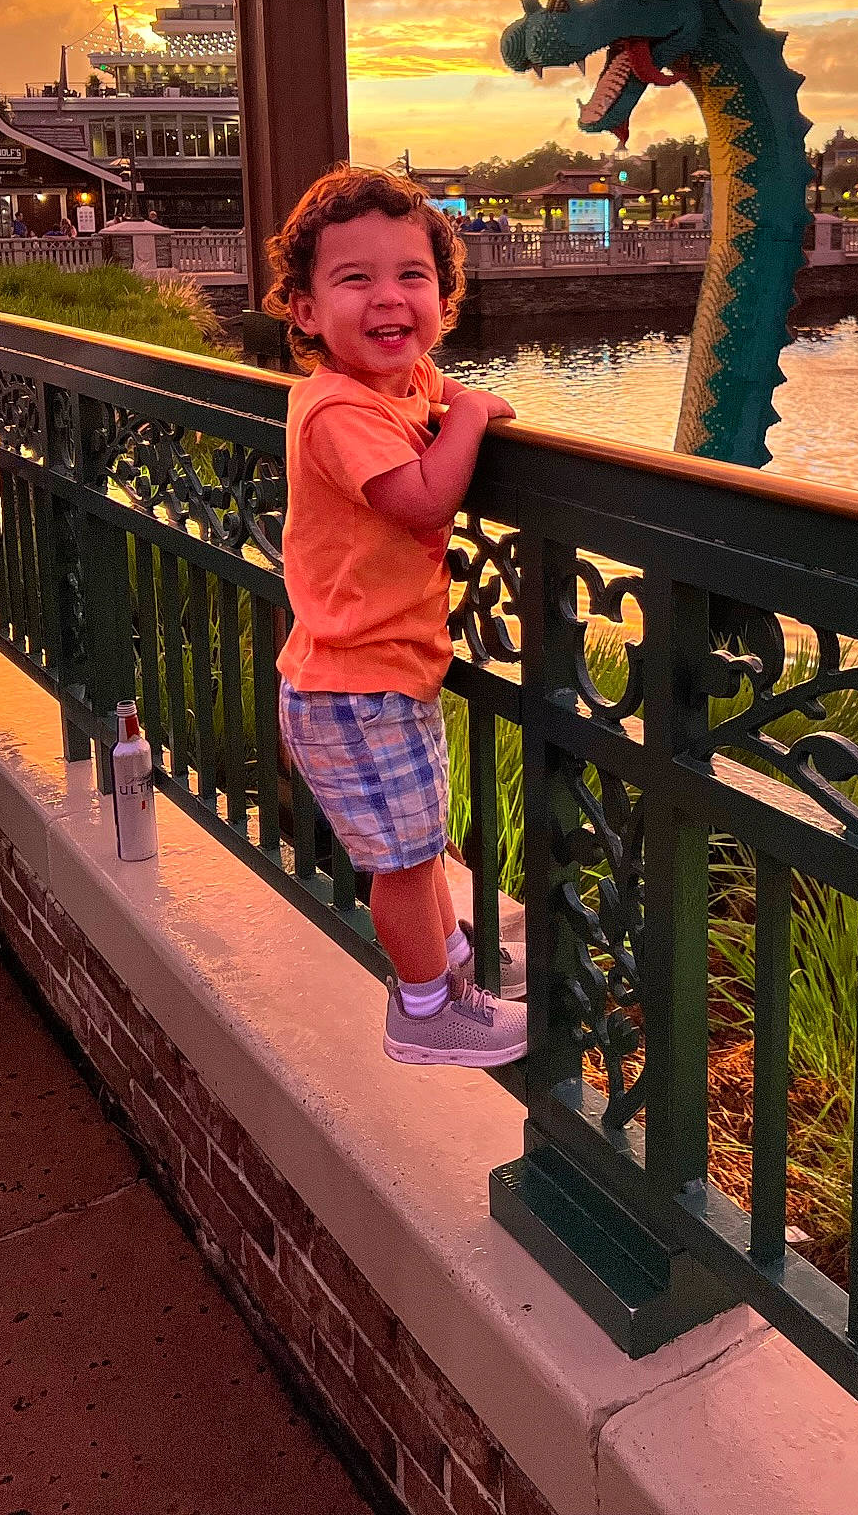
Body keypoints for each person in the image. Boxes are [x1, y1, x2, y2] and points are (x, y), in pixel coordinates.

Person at [263, 167, 527, 1068]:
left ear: (444, 299)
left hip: (378, 674)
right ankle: (424, 1011)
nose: (389, 298)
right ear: (303, 311)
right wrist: (478, 415)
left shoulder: (403, 381)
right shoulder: (336, 406)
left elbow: (432, 394)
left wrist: (451, 399)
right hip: (352, 684)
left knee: (420, 838)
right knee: (406, 862)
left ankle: (448, 959)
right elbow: (420, 502)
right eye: (354, 280)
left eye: (413, 276)